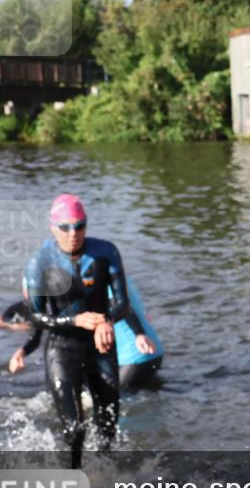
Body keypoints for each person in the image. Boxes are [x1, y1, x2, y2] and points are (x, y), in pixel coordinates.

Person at [23, 194, 154, 468]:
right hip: (62, 348)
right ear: (53, 228)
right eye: (66, 227)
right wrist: (73, 321)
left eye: (80, 226)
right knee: (74, 429)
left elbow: (123, 303)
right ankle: (71, 483)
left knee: (108, 425)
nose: (74, 234)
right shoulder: (40, 261)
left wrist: (106, 320)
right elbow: (35, 316)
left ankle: (105, 479)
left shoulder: (106, 252)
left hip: (101, 347)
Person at [7, 277, 163, 390]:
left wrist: (138, 334)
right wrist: (22, 352)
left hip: (133, 359)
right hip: (154, 353)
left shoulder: (92, 283)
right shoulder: (119, 277)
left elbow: (123, 309)